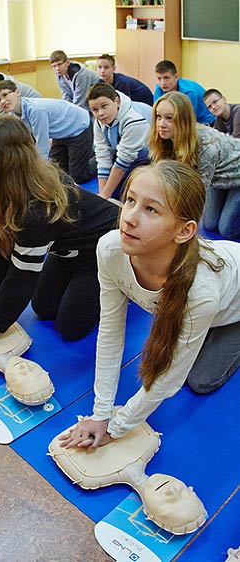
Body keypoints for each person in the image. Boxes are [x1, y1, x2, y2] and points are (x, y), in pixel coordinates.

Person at [59, 160, 240, 449]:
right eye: (130, 200)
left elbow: (169, 380)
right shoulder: (110, 248)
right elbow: (110, 331)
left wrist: (115, 428)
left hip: (232, 306)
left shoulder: (200, 292)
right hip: (206, 303)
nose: (129, 217)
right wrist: (100, 413)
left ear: (183, 231)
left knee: (200, 381)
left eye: (151, 209)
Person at [0, 115, 119, 344]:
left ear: (5, 160)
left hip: (107, 250)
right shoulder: (4, 192)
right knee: (43, 307)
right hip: (70, 250)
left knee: (69, 327)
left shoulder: (37, 211)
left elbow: (21, 277)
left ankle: (121, 286)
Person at [150, 91, 240, 239]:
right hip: (218, 177)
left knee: (226, 229)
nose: (161, 124)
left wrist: (175, 228)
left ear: (183, 120)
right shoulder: (165, 139)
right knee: (210, 224)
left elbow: (197, 192)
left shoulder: (206, 146)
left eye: (169, 118)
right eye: (158, 117)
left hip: (237, 175)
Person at [0, 80, 96, 184]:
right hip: (60, 134)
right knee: (57, 172)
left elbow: (43, 144)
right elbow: (25, 141)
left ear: (17, 92)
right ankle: (84, 154)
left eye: (5, 95)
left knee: (78, 177)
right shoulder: (13, 115)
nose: (2, 101)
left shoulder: (36, 110)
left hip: (79, 127)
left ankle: (100, 158)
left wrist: (37, 172)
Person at [87, 82, 151, 199]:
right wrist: (102, 195)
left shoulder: (134, 120)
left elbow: (123, 162)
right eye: (95, 109)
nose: (100, 113)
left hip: (151, 155)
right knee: (112, 193)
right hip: (127, 152)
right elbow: (102, 155)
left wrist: (105, 194)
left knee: (128, 196)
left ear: (117, 101)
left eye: (104, 106)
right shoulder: (99, 122)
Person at [153, 60, 214, 125]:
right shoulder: (159, 89)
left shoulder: (189, 92)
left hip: (205, 121)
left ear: (176, 77)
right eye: (159, 78)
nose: (163, 83)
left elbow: (187, 119)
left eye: (166, 78)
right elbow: (157, 113)